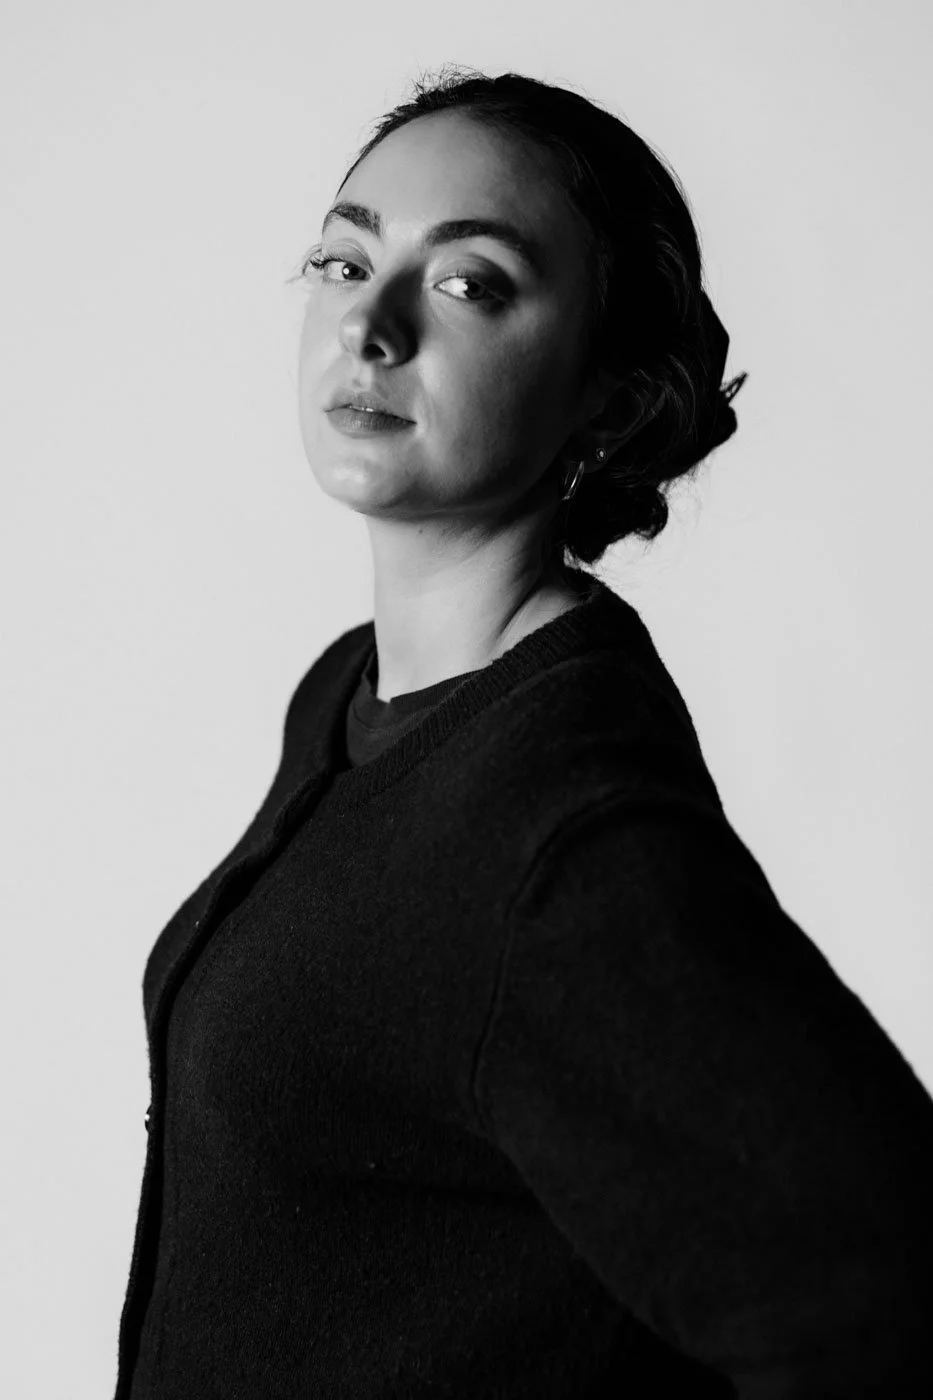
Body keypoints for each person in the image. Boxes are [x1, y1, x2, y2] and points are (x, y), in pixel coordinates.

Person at [112, 67, 933, 1399]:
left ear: (605, 399)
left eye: (468, 283)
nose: (367, 327)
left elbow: (882, 1300)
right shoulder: (353, 701)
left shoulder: (563, 835)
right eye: (342, 258)